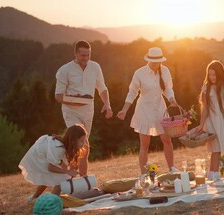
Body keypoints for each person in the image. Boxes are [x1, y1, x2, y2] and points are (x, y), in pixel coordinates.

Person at [117, 47, 179, 174]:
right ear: (149, 60)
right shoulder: (139, 73)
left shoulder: (165, 70)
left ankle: (172, 168)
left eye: (158, 62)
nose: (156, 64)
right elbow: (132, 92)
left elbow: (167, 88)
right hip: (144, 110)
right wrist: (124, 110)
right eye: (154, 62)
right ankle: (144, 174)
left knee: (167, 139)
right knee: (145, 144)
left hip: (160, 108)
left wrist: (172, 99)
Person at [55, 40, 112, 175]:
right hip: (71, 112)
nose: (86, 58)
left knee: (83, 148)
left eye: (88, 55)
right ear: (75, 54)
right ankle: (72, 179)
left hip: (88, 112)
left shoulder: (95, 67)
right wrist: (76, 102)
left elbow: (102, 88)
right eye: (82, 56)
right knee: (81, 145)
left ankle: (82, 181)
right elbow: (58, 96)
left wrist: (107, 104)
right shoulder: (64, 70)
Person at [19, 124, 88, 201]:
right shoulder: (58, 148)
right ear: (73, 141)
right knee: (61, 180)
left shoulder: (66, 147)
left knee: (55, 176)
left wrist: (79, 175)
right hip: (38, 157)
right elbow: (51, 168)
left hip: (42, 154)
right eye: (82, 141)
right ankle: (51, 203)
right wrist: (68, 172)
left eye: (85, 141)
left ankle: (34, 198)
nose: (84, 144)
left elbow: (66, 168)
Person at [196, 60, 224, 181]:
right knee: (215, 148)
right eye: (210, 74)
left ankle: (212, 173)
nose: (212, 77)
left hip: (220, 121)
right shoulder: (206, 87)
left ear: (219, 74)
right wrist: (202, 125)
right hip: (210, 121)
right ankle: (213, 173)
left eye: (214, 74)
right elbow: (205, 108)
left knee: (217, 149)